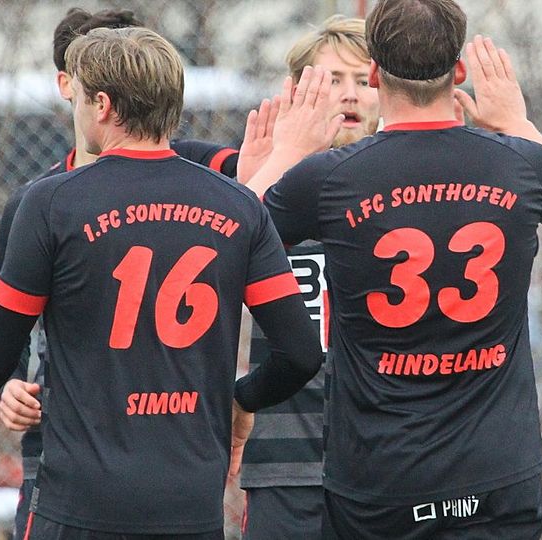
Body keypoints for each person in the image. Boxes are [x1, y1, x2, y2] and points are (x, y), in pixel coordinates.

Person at [0, 26, 324, 538]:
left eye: (81, 97)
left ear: (103, 106)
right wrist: (242, 400)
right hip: (190, 503)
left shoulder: (51, 203)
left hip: (79, 502)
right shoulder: (237, 205)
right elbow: (300, 353)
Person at [243, 0, 542, 536]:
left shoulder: (331, 177)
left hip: (380, 477)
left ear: (374, 72)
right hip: (497, 472)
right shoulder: (518, 161)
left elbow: (227, 238)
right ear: (458, 71)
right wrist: (518, 123)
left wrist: (286, 151)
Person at [0, 8, 144, 538]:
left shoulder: (188, 183)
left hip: (161, 437)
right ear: (69, 85)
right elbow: (7, 328)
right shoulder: (37, 204)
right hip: (62, 447)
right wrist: (11, 384)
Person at [236, 15, 379, 540]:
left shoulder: (397, 187)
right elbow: (212, 267)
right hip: (285, 463)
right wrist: (259, 174)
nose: (350, 94)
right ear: (297, 93)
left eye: (363, 80)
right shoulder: (269, 186)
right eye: (332, 80)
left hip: (383, 462)